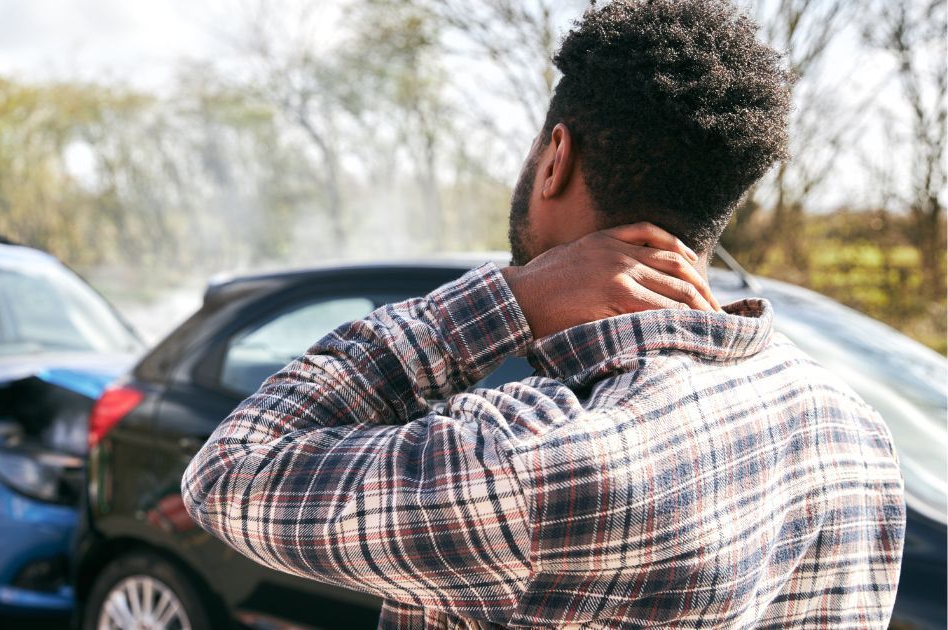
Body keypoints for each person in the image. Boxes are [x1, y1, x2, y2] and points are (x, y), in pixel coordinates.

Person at [181, 0, 905, 627]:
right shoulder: (851, 428)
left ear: (556, 156)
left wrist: (509, 300)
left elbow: (230, 473)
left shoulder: (528, 459)